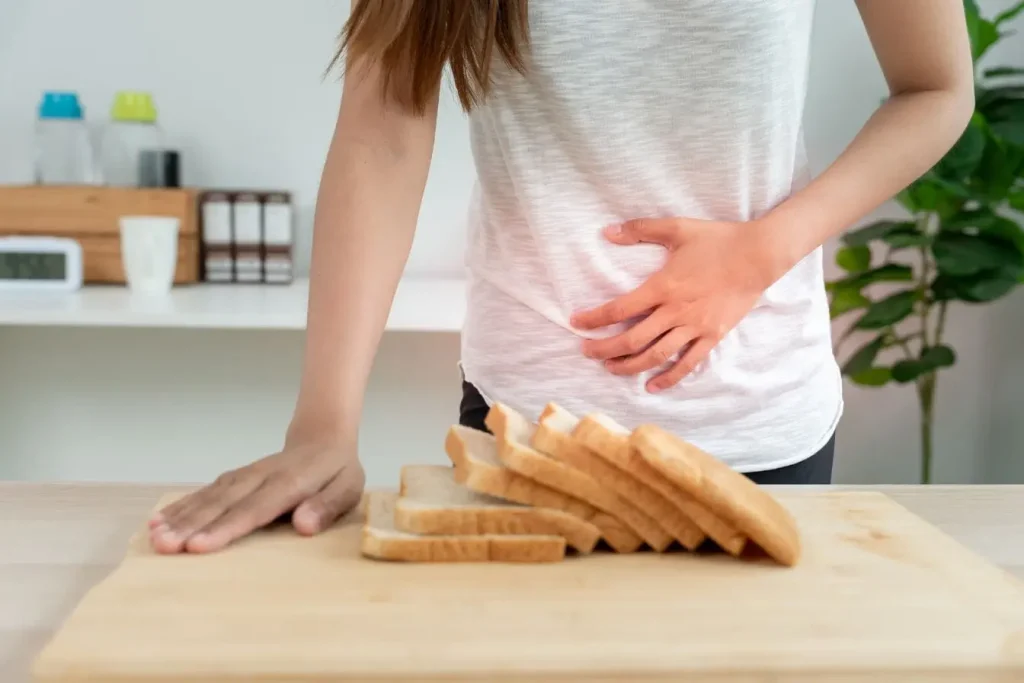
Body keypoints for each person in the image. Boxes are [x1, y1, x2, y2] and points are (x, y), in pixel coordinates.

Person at [149, 0, 974, 554]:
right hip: (525, 438)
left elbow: (937, 89)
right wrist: (322, 425)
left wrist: (760, 252)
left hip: (760, 426)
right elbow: (385, 129)